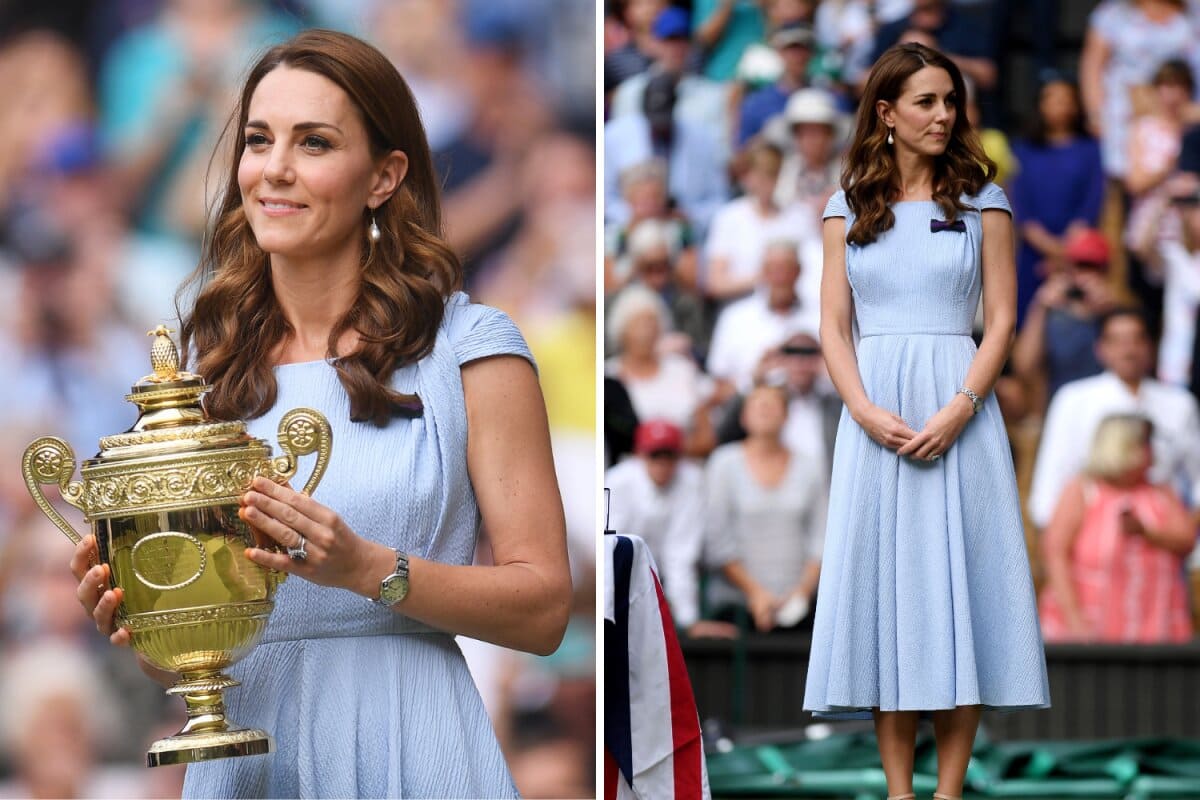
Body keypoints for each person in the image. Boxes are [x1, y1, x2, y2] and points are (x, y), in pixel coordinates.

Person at [69, 30, 571, 798]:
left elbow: (542, 609)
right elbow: (180, 649)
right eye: (259, 140)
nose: (275, 168)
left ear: (383, 176)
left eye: (314, 143)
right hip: (247, 762)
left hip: (412, 741)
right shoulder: (201, 375)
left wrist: (368, 569)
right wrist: (139, 620)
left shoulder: (471, 348)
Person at [801, 43, 1050, 800]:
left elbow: (1002, 322)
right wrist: (867, 411)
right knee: (888, 600)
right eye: (926, 102)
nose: (943, 116)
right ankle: (898, 793)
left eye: (950, 102)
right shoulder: (845, 205)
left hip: (961, 414)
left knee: (961, 591)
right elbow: (832, 326)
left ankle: (947, 792)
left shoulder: (986, 200)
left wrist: (962, 407)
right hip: (873, 418)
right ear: (886, 114)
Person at [1029, 307, 1200, 534]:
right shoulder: (1074, 399)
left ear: (1151, 346)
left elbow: (1196, 475)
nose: (1128, 350)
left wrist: (1186, 531)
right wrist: (1057, 542)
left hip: (1163, 534)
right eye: (1117, 341)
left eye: (1136, 340)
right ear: (1100, 349)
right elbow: (1053, 474)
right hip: (1091, 532)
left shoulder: (1180, 404)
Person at [1040, 414, 1194, 643]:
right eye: (1145, 444)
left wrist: (1147, 533)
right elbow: (1055, 553)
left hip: (1155, 627)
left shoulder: (1161, 492)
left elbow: (1186, 540)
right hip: (1090, 629)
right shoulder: (1082, 490)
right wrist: (1074, 621)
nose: (1152, 452)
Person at [703, 384, 825, 633]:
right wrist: (756, 594)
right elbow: (717, 540)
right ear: (743, 417)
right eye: (758, 404)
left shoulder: (810, 466)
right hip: (735, 605)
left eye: (773, 404)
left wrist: (800, 594)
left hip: (802, 606)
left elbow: (821, 537)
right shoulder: (723, 463)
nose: (766, 410)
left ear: (787, 415)